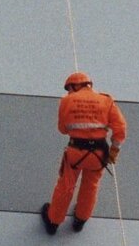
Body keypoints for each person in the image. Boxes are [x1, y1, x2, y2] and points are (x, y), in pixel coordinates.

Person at [41, 72, 127, 233]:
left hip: (75, 152)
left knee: (66, 186)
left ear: (74, 86)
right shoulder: (106, 100)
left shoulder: (67, 101)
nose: (69, 92)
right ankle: (80, 220)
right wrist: (114, 150)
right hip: (99, 154)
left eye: (69, 88)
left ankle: (53, 221)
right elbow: (121, 129)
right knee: (91, 186)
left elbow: (62, 129)